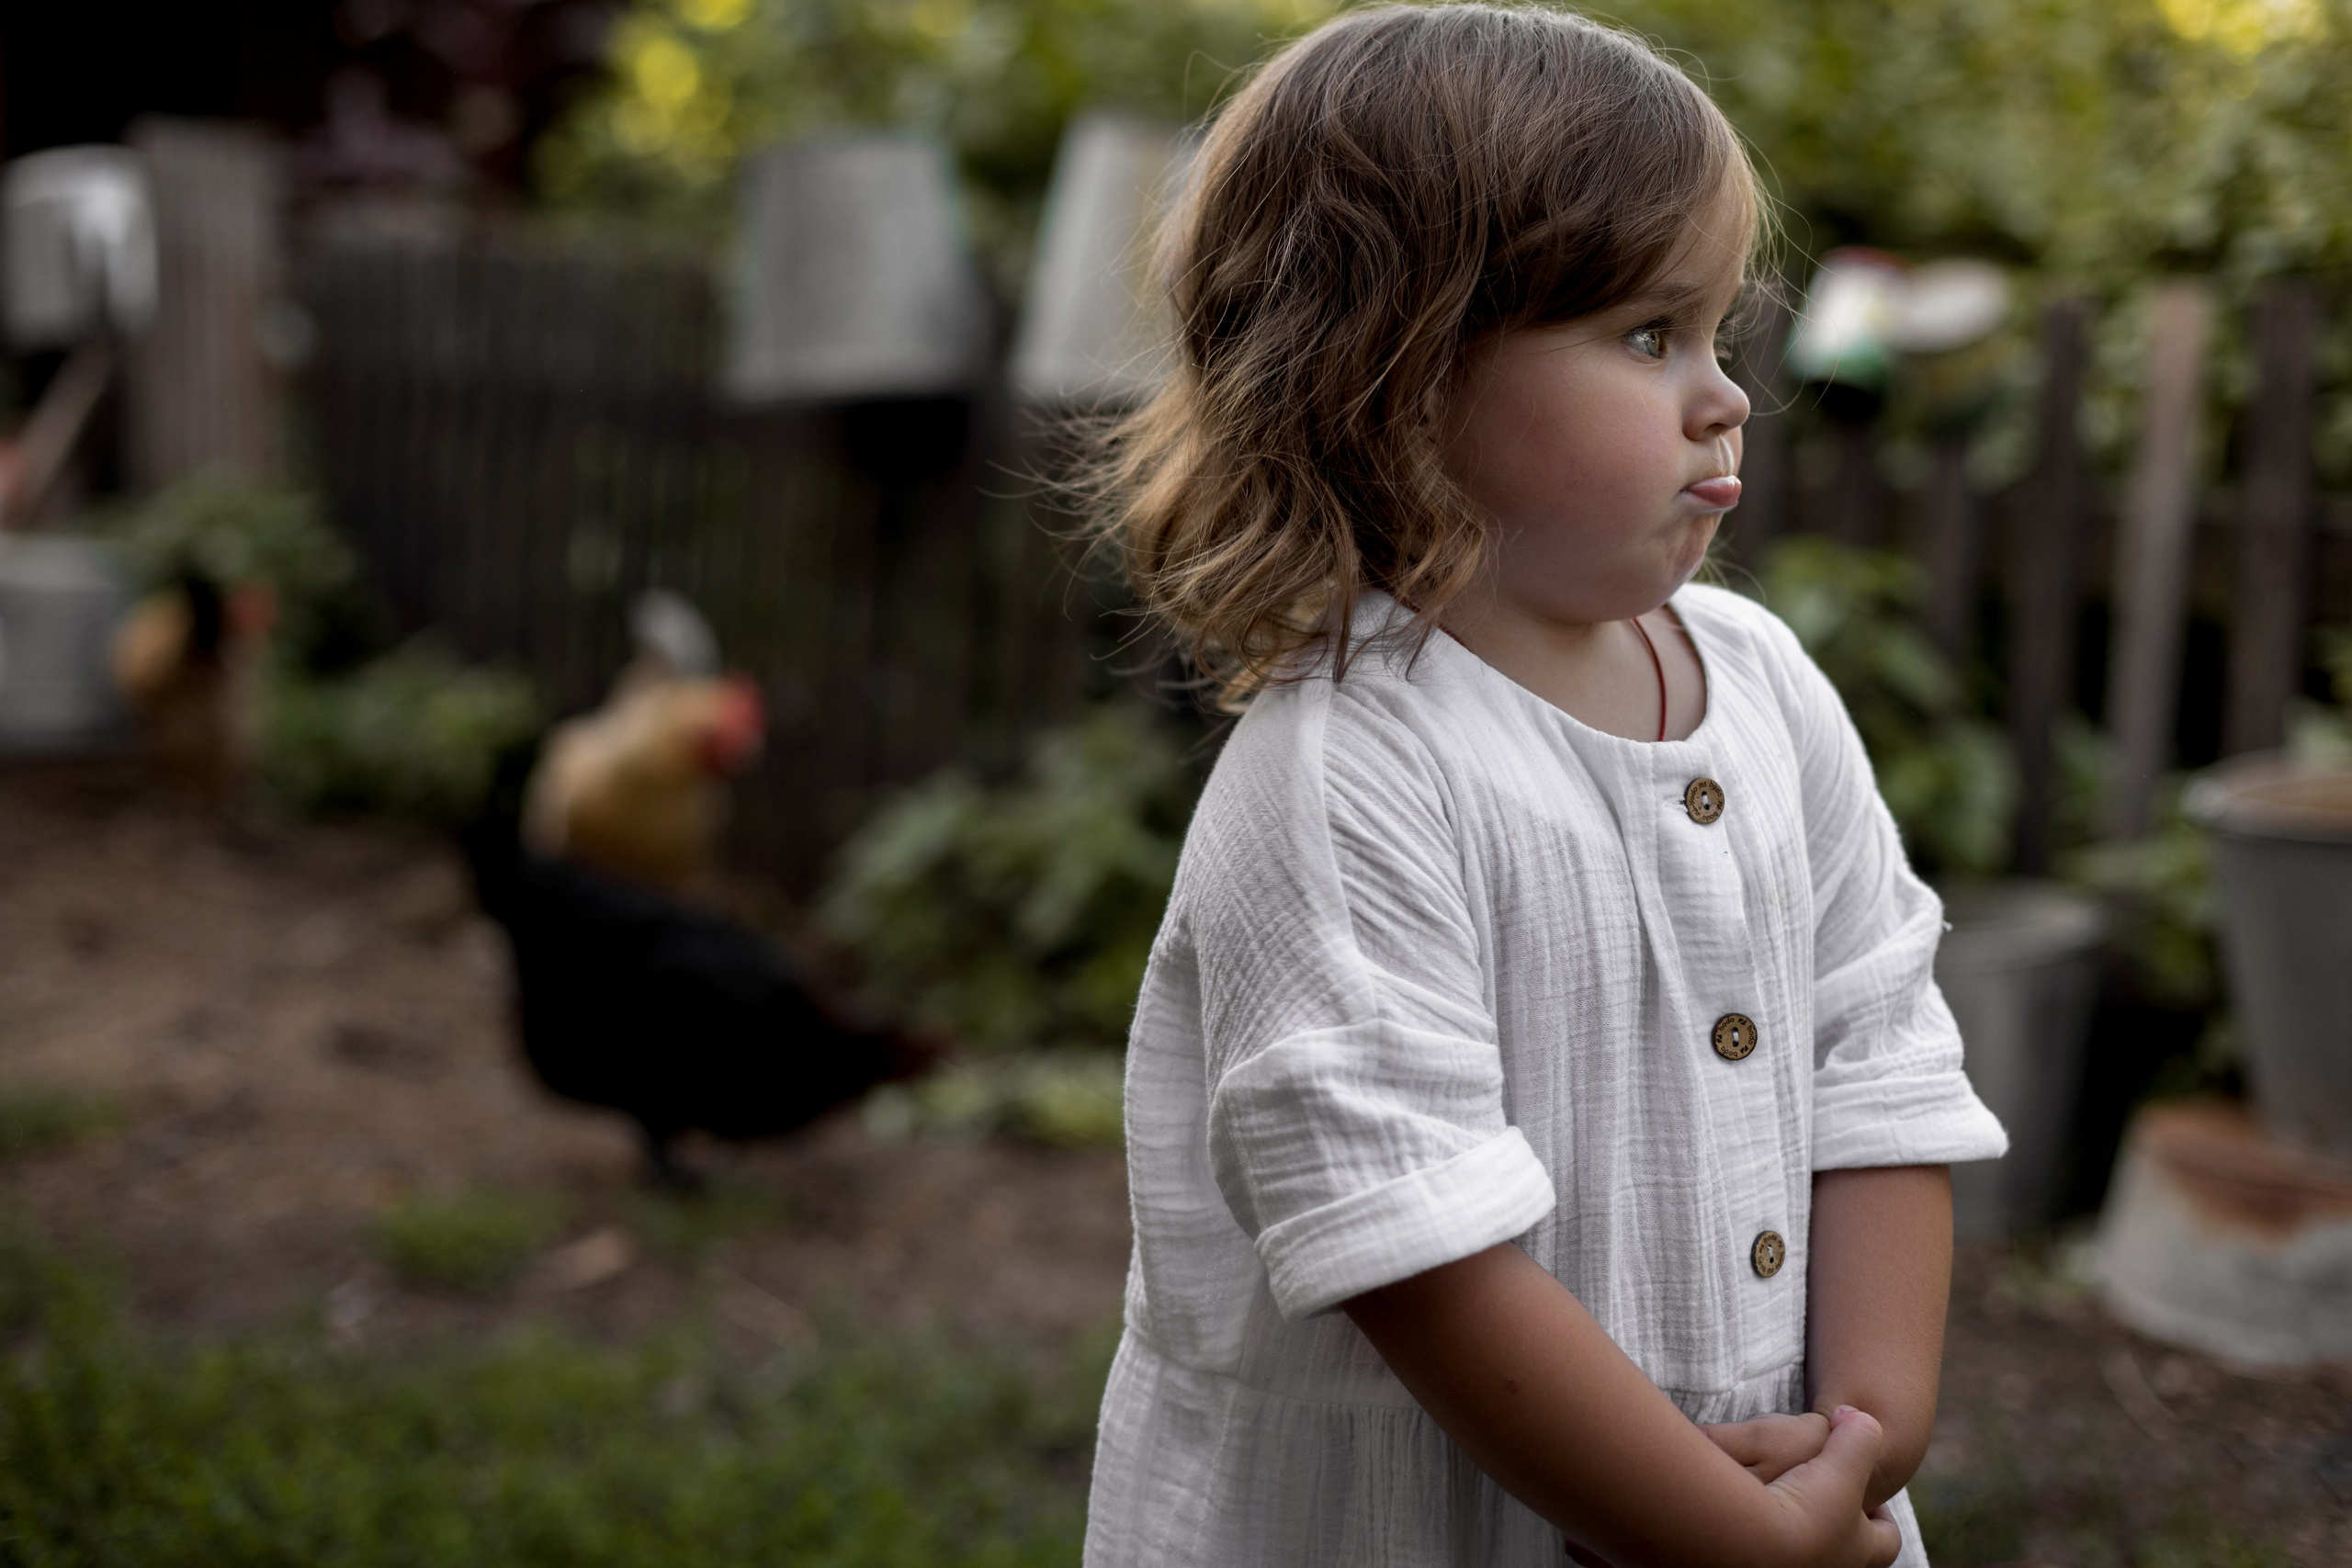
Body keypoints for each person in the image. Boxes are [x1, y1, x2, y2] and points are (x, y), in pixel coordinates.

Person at [1078, 6, 2007, 1566]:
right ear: (1394, 371)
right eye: (1650, 338)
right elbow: (1420, 1254)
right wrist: (1731, 1535)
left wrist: (1861, 1441)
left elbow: (1879, 1051)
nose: (1726, 397)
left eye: (1720, 334)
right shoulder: (1347, 775)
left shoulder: (1764, 684)